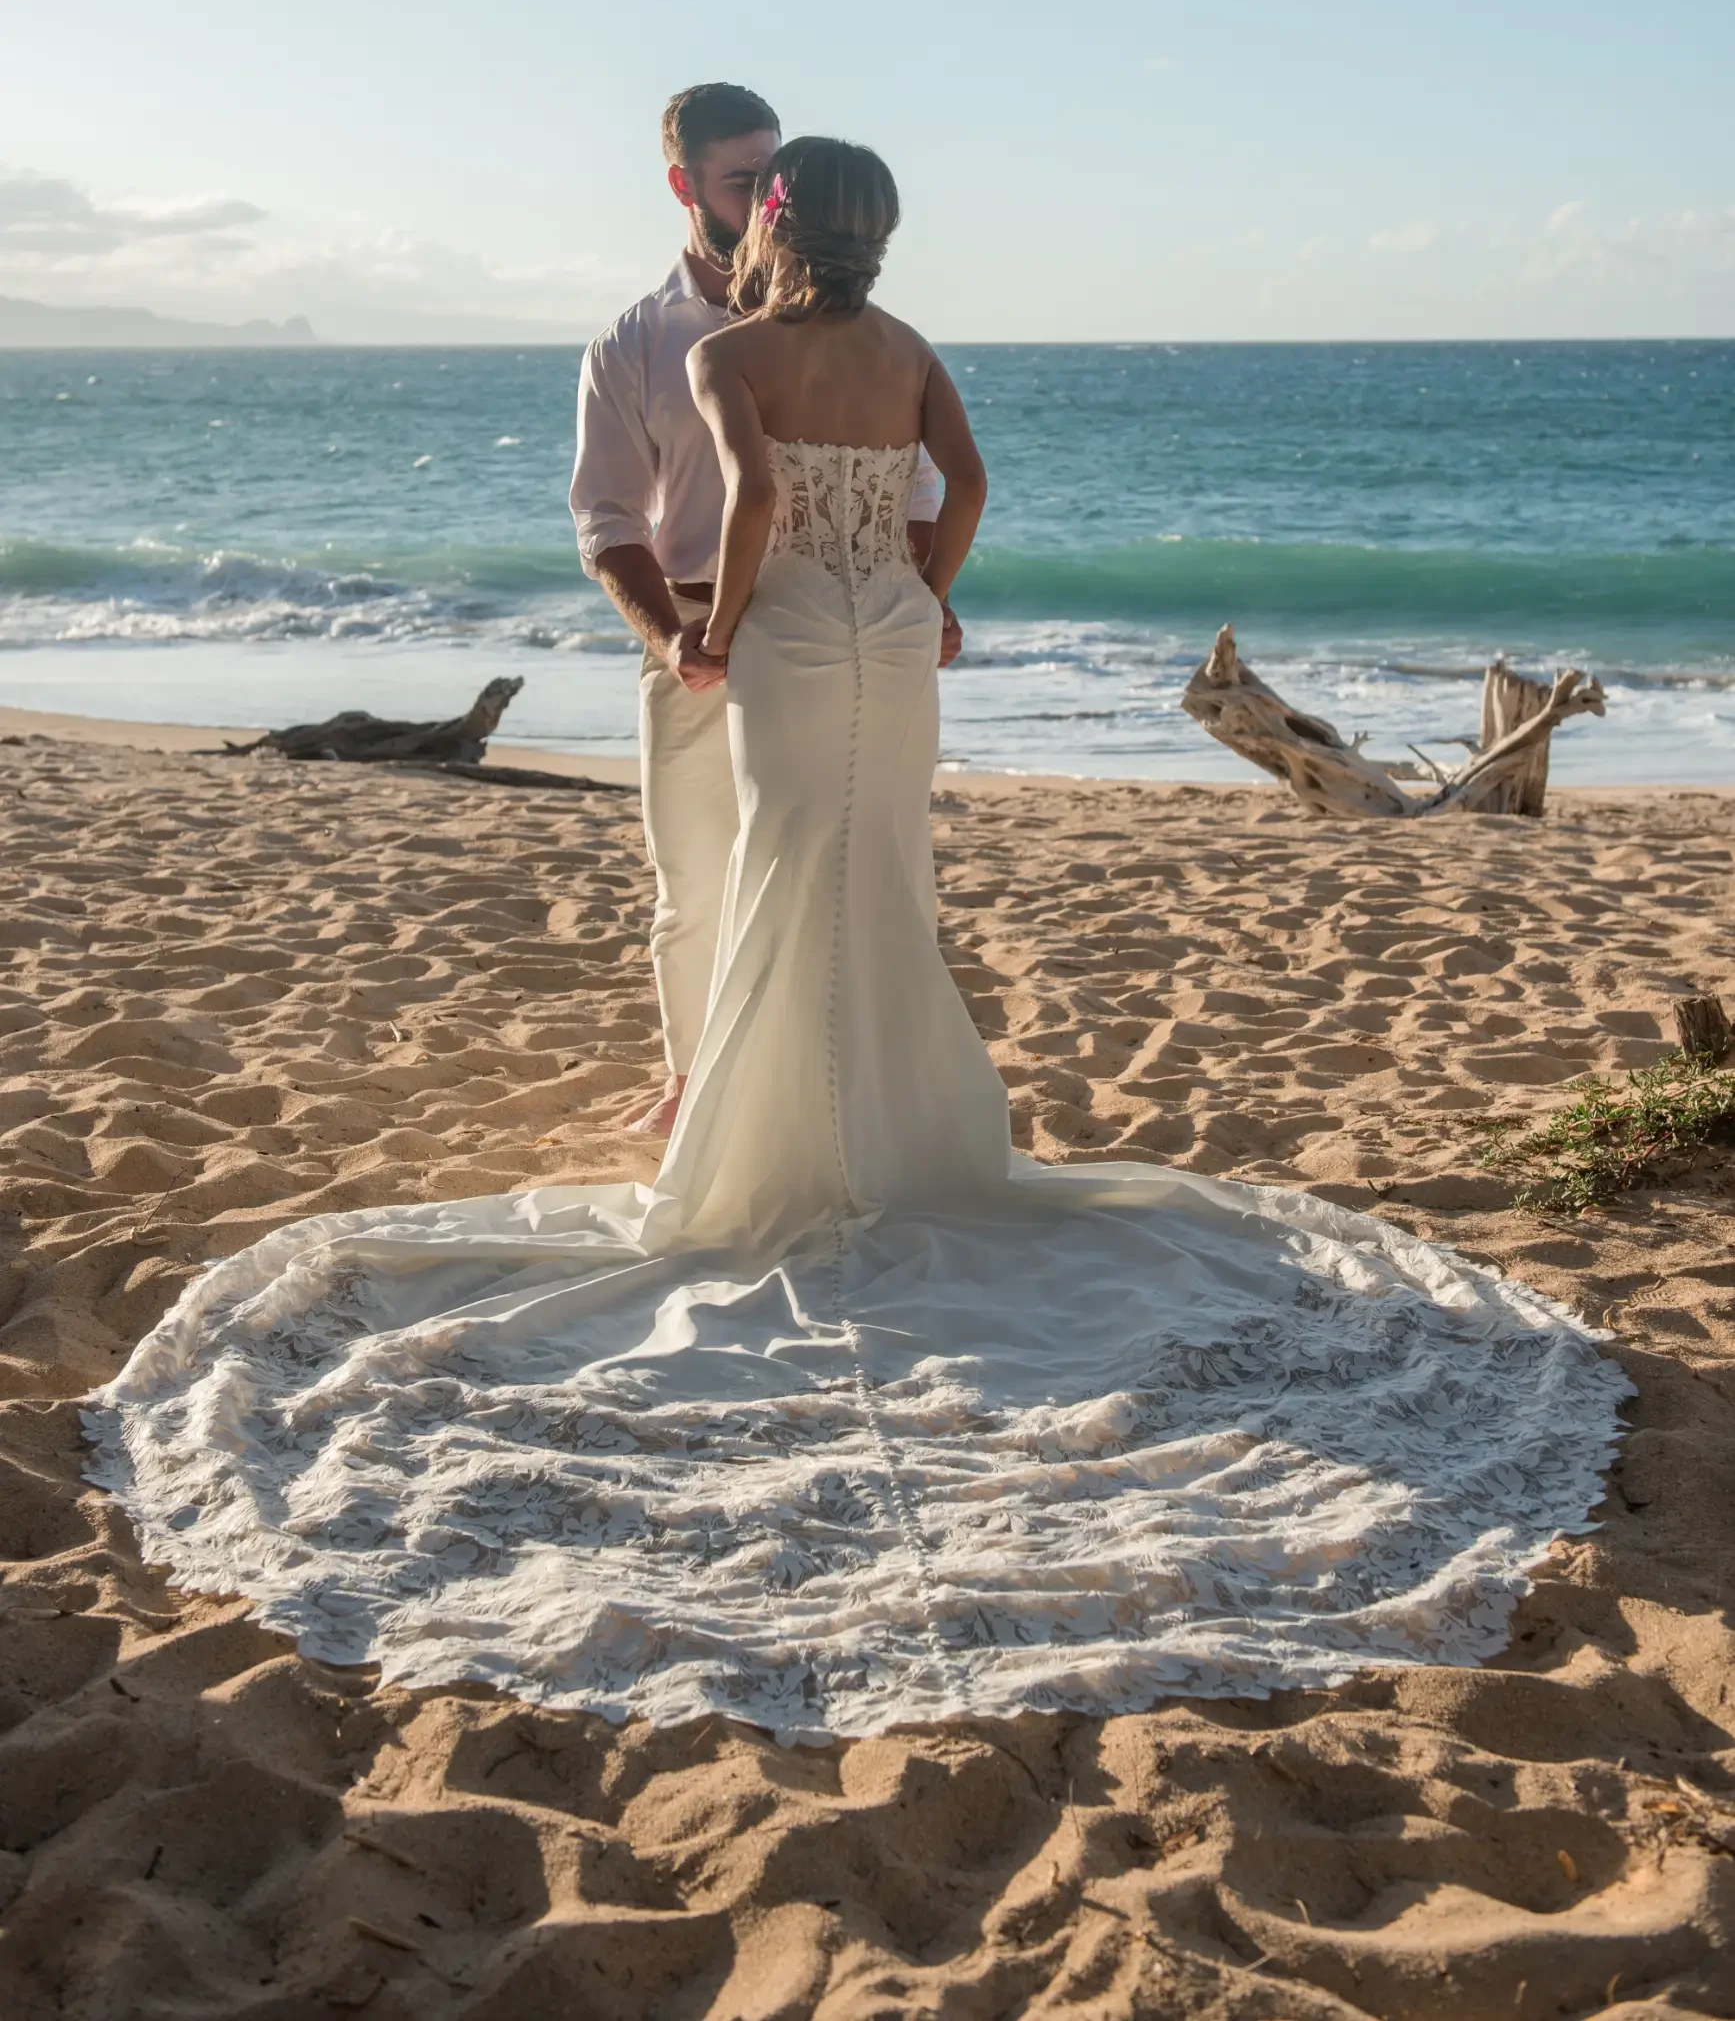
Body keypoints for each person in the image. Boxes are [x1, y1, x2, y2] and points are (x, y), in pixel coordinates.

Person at [89, 139, 1628, 1742]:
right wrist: (924, 591)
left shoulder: (723, 349)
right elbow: (962, 485)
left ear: (775, 224)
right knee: (877, 878)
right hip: (892, 630)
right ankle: (897, 1142)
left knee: (779, 870)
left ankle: (771, 1147)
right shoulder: (906, 351)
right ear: (876, 235)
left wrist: (708, 622)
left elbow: (749, 496)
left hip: (784, 631)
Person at [568, 84, 953, 1137]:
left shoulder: (864, 331)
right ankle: (696, 1086)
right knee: (696, 882)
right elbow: (606, 519)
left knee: (849, 869)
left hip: (836, 634)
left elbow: (922, 489)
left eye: (775, 176)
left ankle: (847, 1098)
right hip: (698, 633)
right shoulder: (637, 343)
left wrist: (917, 597)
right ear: (682, 185)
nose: (771, 200)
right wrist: (676, 641)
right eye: (744, 181)